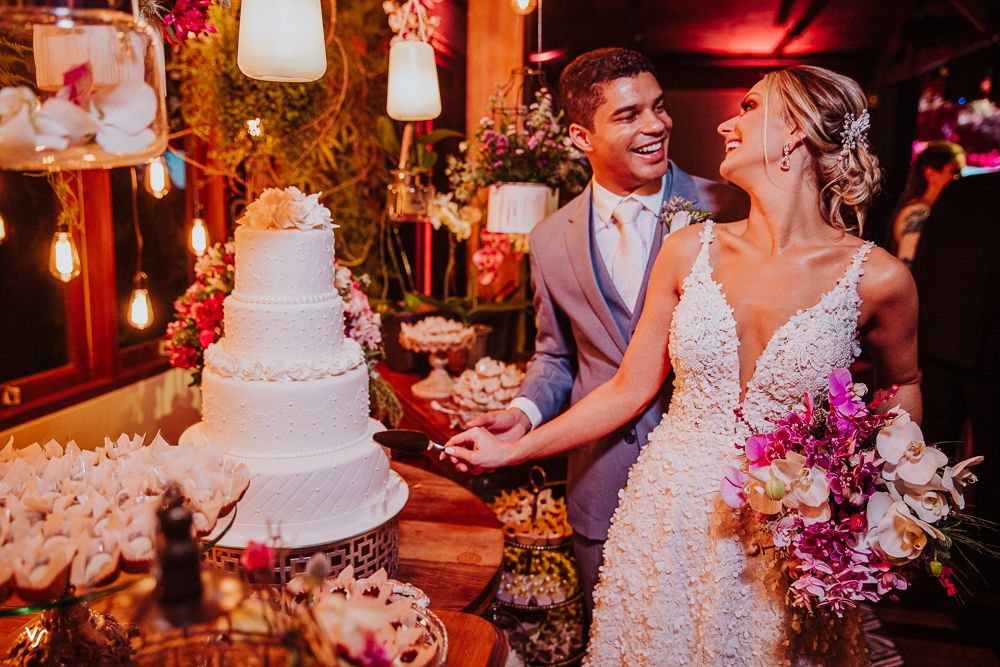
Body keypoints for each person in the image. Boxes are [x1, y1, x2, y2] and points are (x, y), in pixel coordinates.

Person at [446, 65, 919, 664]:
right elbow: (626, 386)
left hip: (793, 527)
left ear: (795, 131)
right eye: (627, 114)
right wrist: (514, 446)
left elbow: (903, 384)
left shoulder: (879, 278)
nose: (724, 122)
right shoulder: (689, 248)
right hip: (669, 517)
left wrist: (884, 500)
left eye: (747, 107)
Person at [458, 47, 749, 610]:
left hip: (712, 489)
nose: (656, 126)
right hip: (599, 483)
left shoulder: (727, 206)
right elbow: (555, 356)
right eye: (628, 115)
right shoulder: (549, 238)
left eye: (658, 107)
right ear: (579, 136)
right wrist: (523, 413)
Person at [912, 169, 1000, 537]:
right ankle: (985, 559)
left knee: (930, 459)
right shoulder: (965, 190)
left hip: (940, 341)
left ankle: (922, 549)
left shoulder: (962, 189)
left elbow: (924, 261)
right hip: (984, 351)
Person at [891, 140, 965, 267]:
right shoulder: (918, 212)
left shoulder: (934, 210)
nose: (960, 178)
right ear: (930, 173)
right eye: (954, 172)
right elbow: (907, 264)